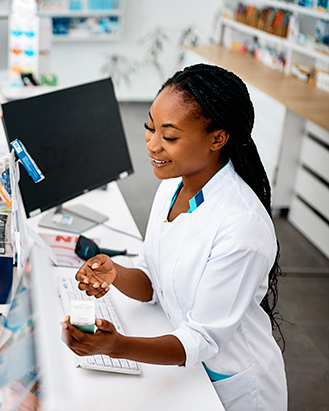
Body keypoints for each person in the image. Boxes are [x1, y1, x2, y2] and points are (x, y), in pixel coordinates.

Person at [62, 64, 286, 411]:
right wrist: (116, 273)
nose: (152, 144)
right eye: (149, 128)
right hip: (187, 372)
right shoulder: (172, 186)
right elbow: (153, 278)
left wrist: (116, 346)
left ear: (217, 138)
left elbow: (202, 338)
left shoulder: (242, 225)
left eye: (169, 137)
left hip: (231, 387)